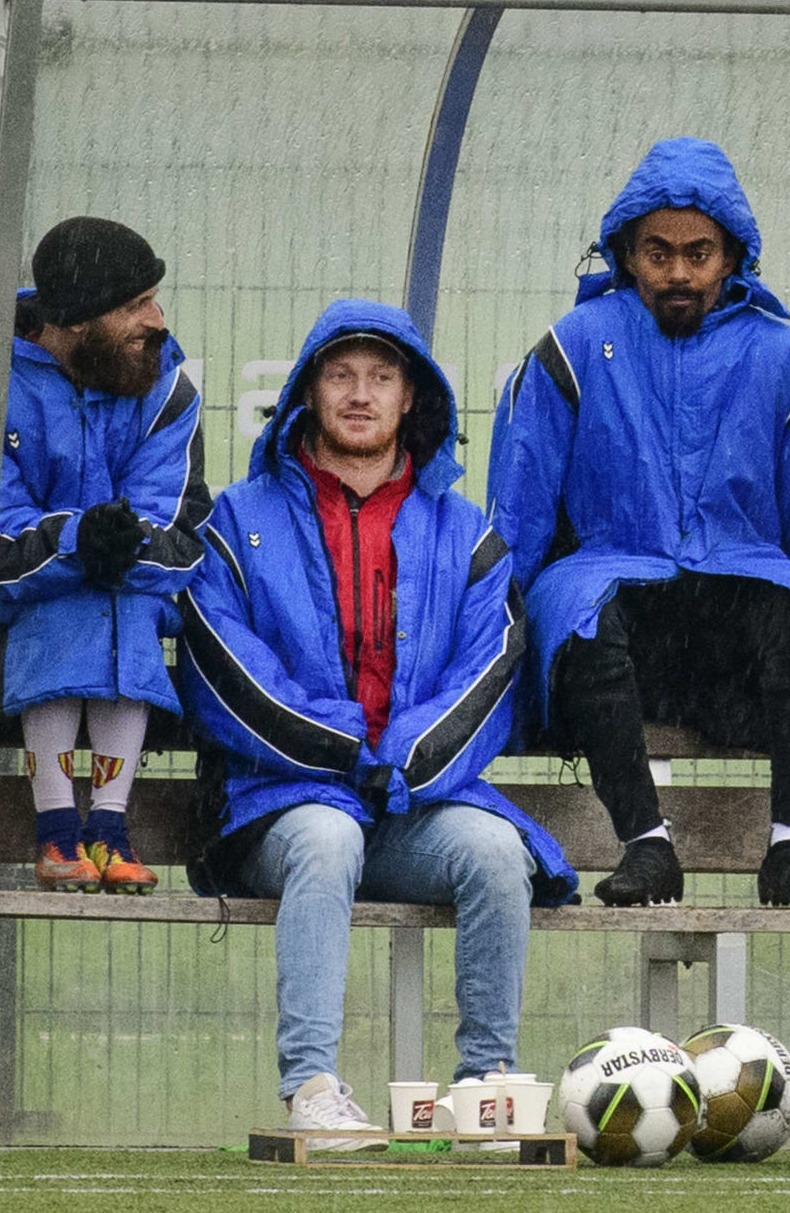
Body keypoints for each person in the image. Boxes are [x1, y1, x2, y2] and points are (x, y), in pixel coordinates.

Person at [178, 303, 569, 1137]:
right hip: (277, 806)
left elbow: (492, 671)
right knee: (328, 837)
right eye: (340, 375)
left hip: (411, 802)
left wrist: (408, 764)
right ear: (306, 394)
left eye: (382, 378)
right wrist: (347, 751)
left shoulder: (468, 535)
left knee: (499, 853)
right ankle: (313, 1088)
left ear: (411, 399)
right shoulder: (237, 521)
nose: (360, 395)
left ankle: (485, 1090)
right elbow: (223, 669)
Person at [488, 138, 790, 910]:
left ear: (733, 257)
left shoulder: (788, 359)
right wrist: (504, 660)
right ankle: (645, 847)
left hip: (736, 655)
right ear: (627, 254)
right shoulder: (572, 349)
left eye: (700, 253)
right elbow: (518, 513)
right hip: (617, 607)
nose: (680, 274)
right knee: (581, 608)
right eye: (658, 253)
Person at [0, 216, 206, 891]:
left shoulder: (169, 391)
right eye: (136, 305)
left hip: (132, 598)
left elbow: (176, 533)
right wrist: (77, 543)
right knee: (56, 609)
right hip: (14, 623)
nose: (158, 320)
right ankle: (62, 833)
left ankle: (104, 832)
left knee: (128, 610)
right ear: (81, 320)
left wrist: (110, 544)